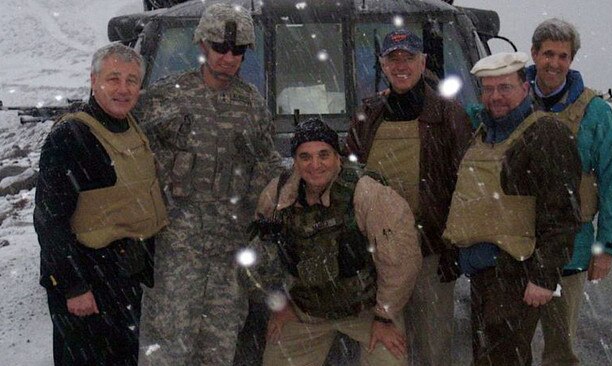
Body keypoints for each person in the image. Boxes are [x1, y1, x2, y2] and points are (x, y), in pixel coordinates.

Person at [134, 3, 282, 365]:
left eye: (238, 50)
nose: (229, 57)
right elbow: (131, 157)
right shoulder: (165, 99)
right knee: (168, 347)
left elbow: (268, 166)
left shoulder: (251, 105)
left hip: (229, 251)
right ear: (202, 45)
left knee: (219, 346)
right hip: (176, 248)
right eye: (220, 47)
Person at [243, 118, 422, 366]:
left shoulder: (368, 193)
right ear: (295, 161)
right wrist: (278, 302)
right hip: (305, 310)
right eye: (305, 156)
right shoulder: (278, 196)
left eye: (323, 154)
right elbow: (259, 255)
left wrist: (385, 317)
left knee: (390, 359)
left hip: (366, 310)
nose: (315, 164)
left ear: (338, 157)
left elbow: (401, 260)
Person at [443, 52, 582, 365]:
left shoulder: (546, 134)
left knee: (502, 358)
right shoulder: (484, 132)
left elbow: (562, 213)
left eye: (504, 87)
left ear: (525, 87)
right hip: (483, 272)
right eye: (488, 89)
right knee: (487, 355)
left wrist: (544, 278)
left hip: (515, 273)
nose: (495, 97)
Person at [34, 43, 168, 365]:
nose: (123, 89)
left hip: (124, 279)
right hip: (89, 283)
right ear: (94, 81)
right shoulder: (71, 136)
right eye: (113, 78)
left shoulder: (131, 126)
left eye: (132, 80)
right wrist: (73, 286)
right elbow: (49, 219)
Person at [346, 29, 472, 366]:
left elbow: (467, 187)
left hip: (430, 253)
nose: (401, 66)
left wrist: (454, 244)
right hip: (380, 257)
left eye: (409, 58)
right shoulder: (368, 114)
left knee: (433, 351)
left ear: (423, 62)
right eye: (393, 59)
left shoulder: (449, 115)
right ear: (383, 64)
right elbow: (348, 178)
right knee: (384, 351)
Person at [526, 18, 612, 365]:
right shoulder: (511, 97)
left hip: (570, 250)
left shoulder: (595, 112)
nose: (554, 63)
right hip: (514, 245)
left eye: (563, 56)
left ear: (571, 60)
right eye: (548, 54)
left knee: (559, 349)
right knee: (507, 342)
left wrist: (606, 247)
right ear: (534, 54)